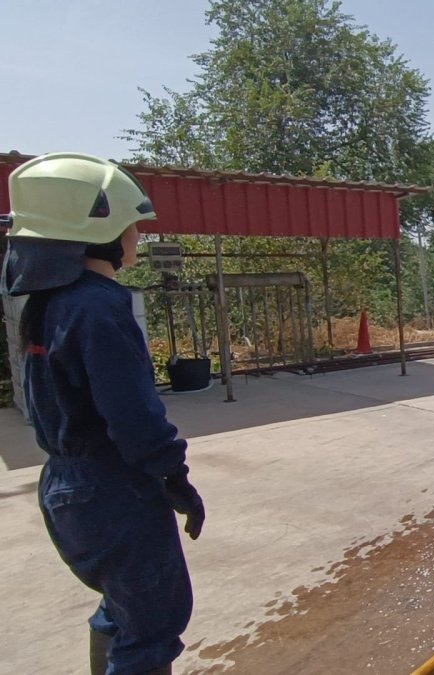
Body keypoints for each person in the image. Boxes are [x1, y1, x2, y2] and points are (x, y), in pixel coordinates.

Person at [0, 152, 205, 675]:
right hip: (114, 487)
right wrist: (171, 472)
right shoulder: (99, 306)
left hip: (68, 489)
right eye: (133, 224)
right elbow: (131, 413)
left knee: (122, 610)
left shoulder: (51, 305)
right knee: (152, 628)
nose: (139, 234)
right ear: (101, 229)